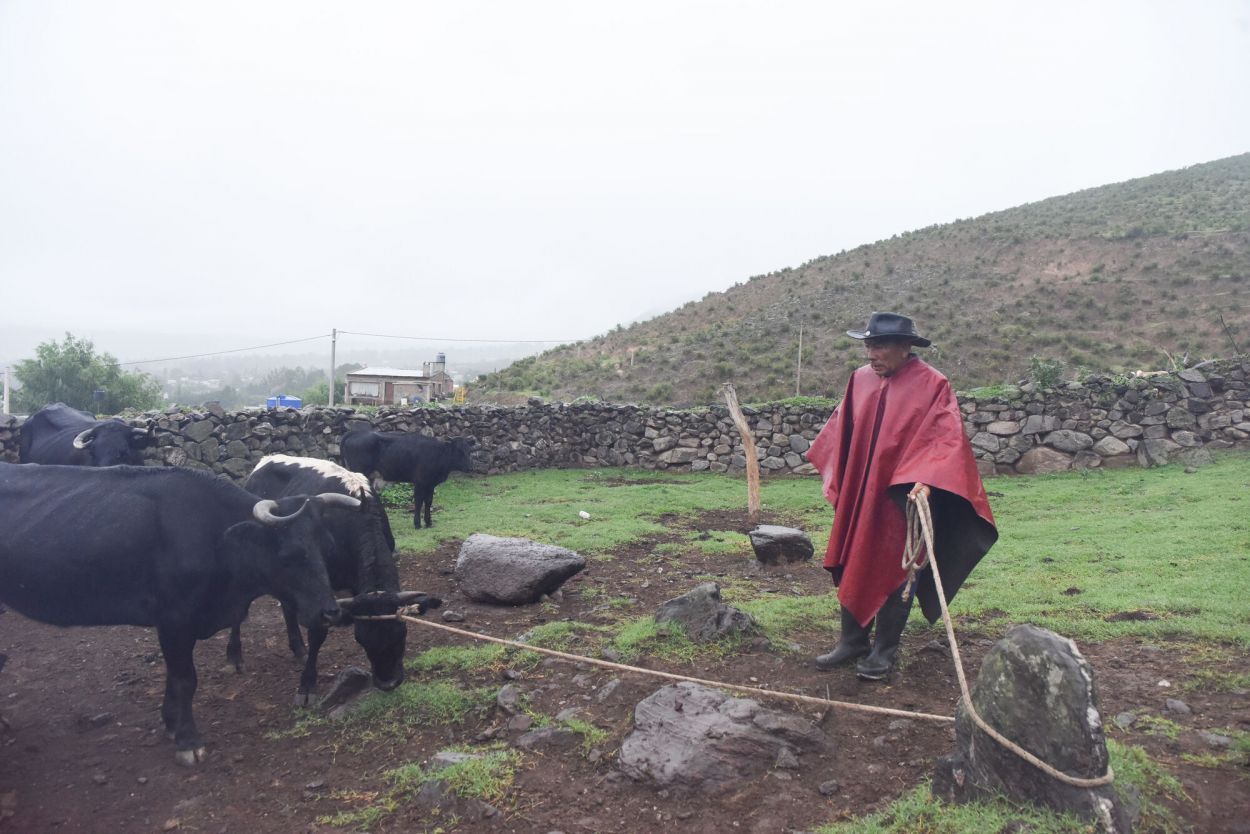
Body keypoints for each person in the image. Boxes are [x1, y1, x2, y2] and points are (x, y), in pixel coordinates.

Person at [806, 312, 998, 680]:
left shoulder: (933, 385)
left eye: (879, 346)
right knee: (854, 556)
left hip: (903, 497)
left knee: (898, 567)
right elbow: (843, 431)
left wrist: (927, 477)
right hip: (862, 495)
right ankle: (853, 640)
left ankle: (884, 651)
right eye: (868, 345)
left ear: (905, 347)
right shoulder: (859, 381)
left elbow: (945, 437)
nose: (871, 354)